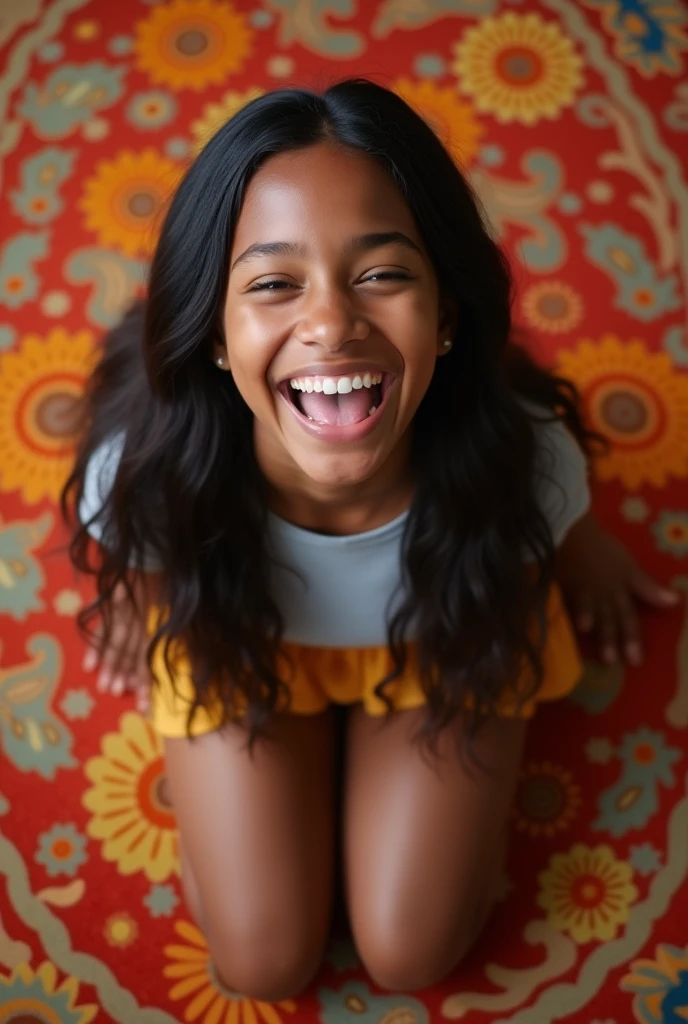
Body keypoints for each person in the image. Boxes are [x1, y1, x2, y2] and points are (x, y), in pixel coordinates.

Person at [62, 80, 679, 1000]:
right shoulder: (147, 481)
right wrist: (143, 599)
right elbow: (135, 550)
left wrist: (582, 553)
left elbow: (562, 512)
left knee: (411, 953)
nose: (330, 325)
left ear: (448, 314)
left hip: (450, 633)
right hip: (237, 639)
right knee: (260, 963)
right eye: (273, 285)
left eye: (383, 274)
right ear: (218, 336)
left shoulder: (527, 471)